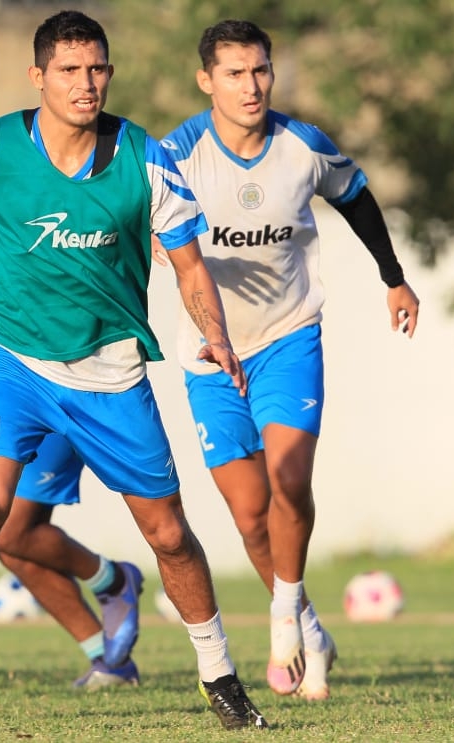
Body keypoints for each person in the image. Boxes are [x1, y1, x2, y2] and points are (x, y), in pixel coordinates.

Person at [0, 11, 268, 732]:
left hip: (113, 370)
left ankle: (220, 675)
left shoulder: (144, 157)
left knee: (170, 534)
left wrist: (215, 332)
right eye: (68, 70)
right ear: (39, 77)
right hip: (12, 360)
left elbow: (187, 265)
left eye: (96, 70)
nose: (85, 84)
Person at [160, 19, 420, 701]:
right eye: (236, 73)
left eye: (261, 70)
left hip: (288, 336)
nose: (251, 86)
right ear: (206, 80)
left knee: (288, 475)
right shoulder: (175, 155)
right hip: (209, 356)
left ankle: (282, 614)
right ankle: (312, 626)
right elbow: (135, 222)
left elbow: (357, 197)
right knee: (250, 516)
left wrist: (394, 277)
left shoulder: (302, 146)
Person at [0, 82, 146, 691]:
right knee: (12, 543)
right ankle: (109, 655)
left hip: (61, 374)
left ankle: (114, 581)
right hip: (2, 383)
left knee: (11, 529)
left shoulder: (8, 197)